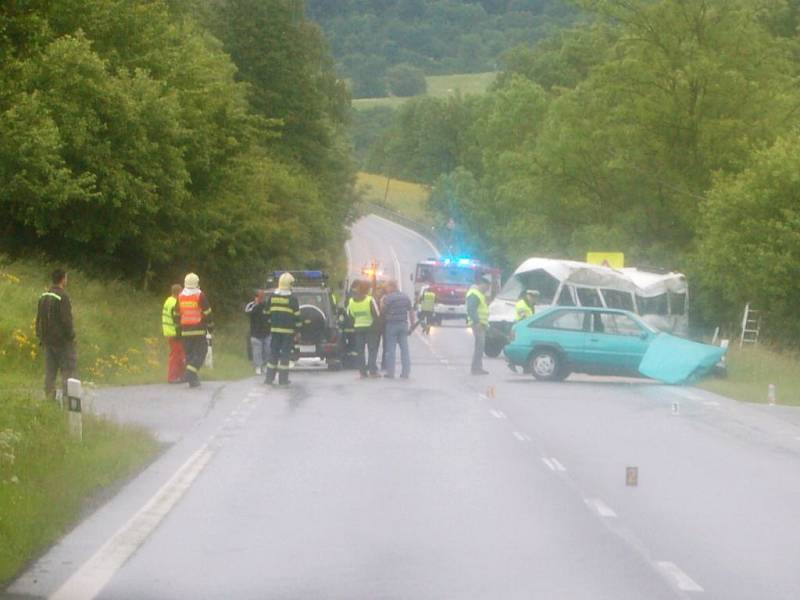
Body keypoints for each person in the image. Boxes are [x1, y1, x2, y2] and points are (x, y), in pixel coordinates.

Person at [36, 268, 76, 401]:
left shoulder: (44, 296)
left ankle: (49, 400)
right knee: (67, 371)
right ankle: (68, 402)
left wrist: (41, 336)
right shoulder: (63, 296)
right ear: (63, 279)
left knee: (50, 372)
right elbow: (66, 320)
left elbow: (39, 319)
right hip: (62, 342)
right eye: (66, 277)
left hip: (47, 341)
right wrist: (71, 336)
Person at [264, 272, 302, 386]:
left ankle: (269, 379)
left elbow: (266, 314)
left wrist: (271, 324)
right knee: (285, 357)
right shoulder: (292, 299)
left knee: (273, 354)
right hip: (287, 333)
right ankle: (283, 380)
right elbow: (297, 317)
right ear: (289, 284)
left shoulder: (272, 297)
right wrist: (298, 331)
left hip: (275, 331)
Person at [177, 273, 213, 388]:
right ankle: (188, 373)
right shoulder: (200, 295)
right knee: (202, 352)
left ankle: (193, 381)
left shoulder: (180, 295)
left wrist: (178, 328)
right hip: (198, 329)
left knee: (190, 355)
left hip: (185, 330)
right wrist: (210, 325)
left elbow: (176, 313)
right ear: (197, 283)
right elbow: (207, 312)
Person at [347, 280, 380, 378]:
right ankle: (372, 371)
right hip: (370, 328)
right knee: (372, 350)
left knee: (360, 351)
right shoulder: (370, 300)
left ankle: (362, 372)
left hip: (358, 328)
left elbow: (350, 314)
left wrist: (356, 322)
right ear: (367, 290)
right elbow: (377, 314)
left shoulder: (351, 301)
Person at [381, 280, 413, 379]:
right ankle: (405, 373)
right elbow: (411, 312)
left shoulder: (388, 298)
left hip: (392, 325)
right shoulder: (405, 297)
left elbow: (382, 311)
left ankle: (390, 373)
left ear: (391, 287)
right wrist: (411, 325)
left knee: (391, 350)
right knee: (405, 350)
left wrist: (381, 301)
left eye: (386, 287)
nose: (386, 289)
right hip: (403, 325)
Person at [466, 274, 491, 375]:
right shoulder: (474, 294)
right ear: (482, 284)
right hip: (478, 325)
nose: (487, 290)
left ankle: (477, 367)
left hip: (481, 324)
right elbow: (471, 309)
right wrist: (476, 322)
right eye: (487, 287)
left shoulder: (479, 294)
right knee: (479, 346)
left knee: (480, 346)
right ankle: (476, 368)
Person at [162, 284, 185, 383]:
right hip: (175, 332)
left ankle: (179, 376)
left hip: (170, 331)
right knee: (176, 355)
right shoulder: (175, 303)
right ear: (179, 293)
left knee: (177, 354)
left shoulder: (168, 300)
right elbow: (177, 319)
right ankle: (173, 377)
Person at [245, 290, 270, 375]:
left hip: (267, 333)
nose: (261, 298)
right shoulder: (251, 305)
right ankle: (258, 367)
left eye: (262, 296)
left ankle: (265, 366)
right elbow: (247, 312)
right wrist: (256, 304)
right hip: (255, 333)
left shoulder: (267, 305)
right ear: (255, 297)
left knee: (267, 351)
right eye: (259, 296)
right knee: (257, 351)